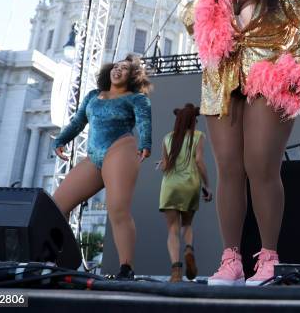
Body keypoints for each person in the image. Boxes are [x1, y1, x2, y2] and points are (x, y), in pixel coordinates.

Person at [182, 0, 300, 286]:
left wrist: (295, 70)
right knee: (229, 169)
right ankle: (231, 260)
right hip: (222, 80)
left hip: (267, 78)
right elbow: (191, 23)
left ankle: (269, 258)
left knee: (260, 166)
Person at [53, 55, 152, 279]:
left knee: (117, 208)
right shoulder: (92, 96)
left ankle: (126, 267)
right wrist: (60, 140)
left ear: (132, 76)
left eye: (124, 69)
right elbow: (78, 122)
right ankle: (60, 261)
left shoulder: (136, 99)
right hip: (94, 156)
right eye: (115, 67)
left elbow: (145, 122)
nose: (118, 70)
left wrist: (146, 143)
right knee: (57, 205)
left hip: (120, 149)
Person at [159, 103, 213, 283]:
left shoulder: (167, 138)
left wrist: (161, 164)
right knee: (187, 225)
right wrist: (207, 185)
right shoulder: (198, 136)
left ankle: (176, 272)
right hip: (190, 184)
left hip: (170, 186)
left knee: (172, 230)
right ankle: (189, 248)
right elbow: (199, 161)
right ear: (193, 121)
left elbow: (166, 166)